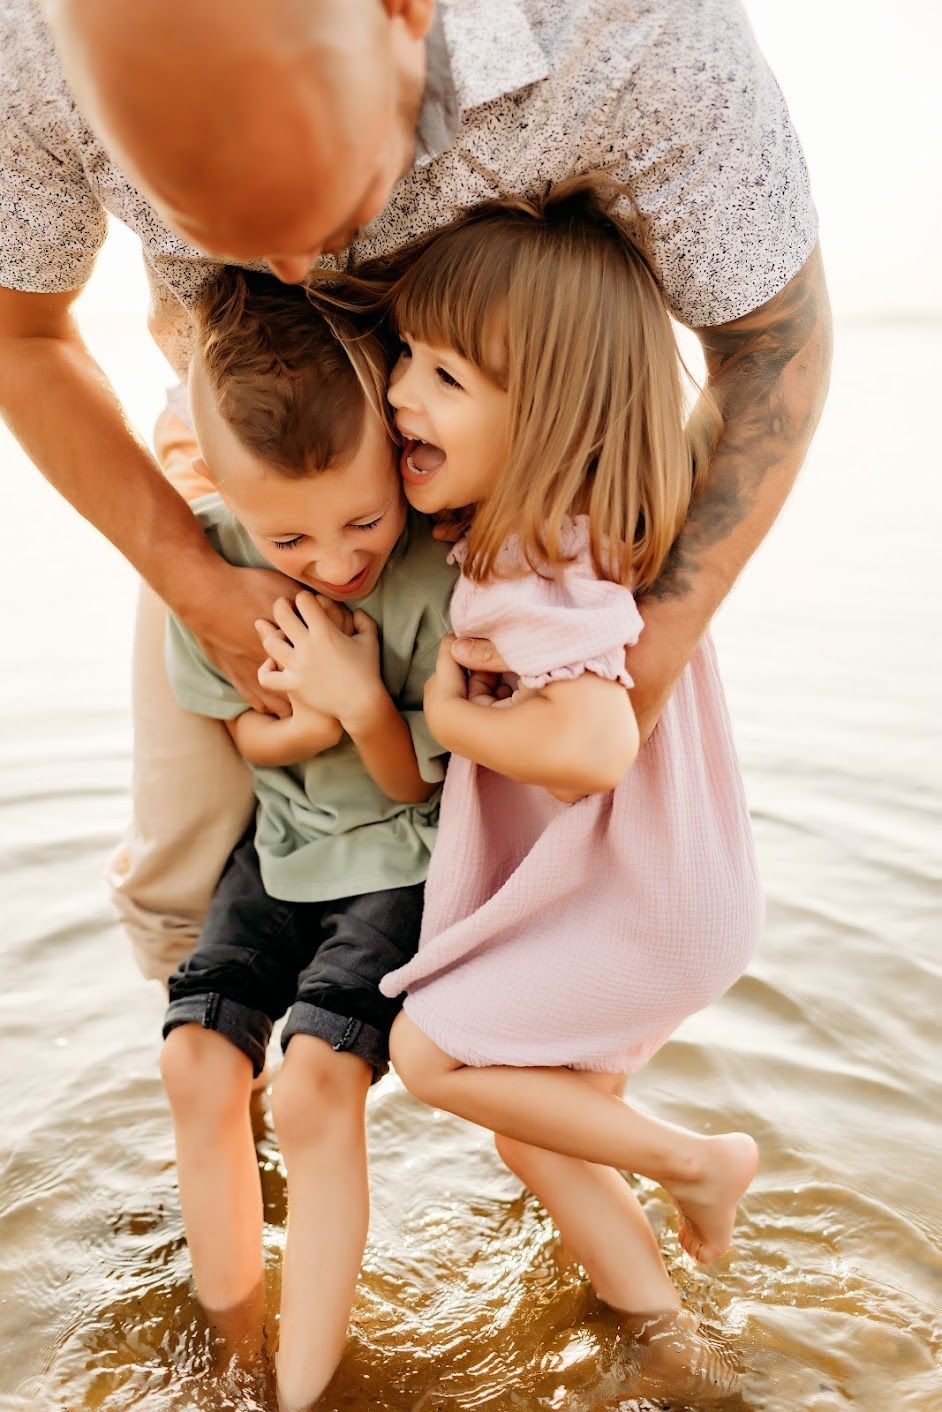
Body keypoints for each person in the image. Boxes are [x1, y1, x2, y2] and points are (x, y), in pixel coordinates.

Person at [0, 0, 830, 982]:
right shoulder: (27, 51)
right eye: (213, 228)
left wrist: (640, 658)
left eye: (334, 198)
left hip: (515, 514)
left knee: (571, 909)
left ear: (403, 12)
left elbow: (773, 344)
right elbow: (26, 334)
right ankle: (235, 1118)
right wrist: (198, 581)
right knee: (182, 892)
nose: (297, 271)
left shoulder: (637, 28)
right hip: (253, 493)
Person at [329, 179, 761, 1337]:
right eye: (408, 354)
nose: (400, 394)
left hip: (643, 898)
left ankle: (700, 1162)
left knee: (430, 1050)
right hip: (671, 888)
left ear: (553, 418)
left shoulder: (528, 558)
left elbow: (591, 746)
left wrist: (453, 717)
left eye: (446, 378)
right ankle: (659, 1332)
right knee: (539, 1124)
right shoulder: (585, 531)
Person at [157, 267, 456, 1410]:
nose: (336, 562)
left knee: (313, 1083)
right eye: (293, 537)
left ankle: (305, 1386)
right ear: (224, 490)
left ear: (395, 451)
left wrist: (360, 707)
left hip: (404, 855)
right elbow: (245, 740)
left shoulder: (433, 568)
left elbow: (418, 783)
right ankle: (233, 1351)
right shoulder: (210, 551)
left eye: (362, 521)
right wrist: (312, 717)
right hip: (284, 847)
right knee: (196, 1059)